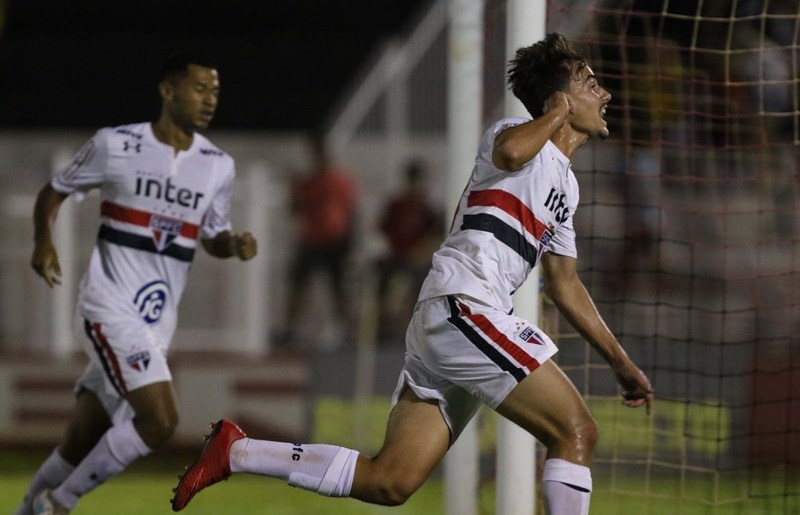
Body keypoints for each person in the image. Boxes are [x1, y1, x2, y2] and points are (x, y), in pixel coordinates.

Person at [170, 33, 653, 515]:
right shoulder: (510, 135)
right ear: (561, 99)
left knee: (391, 480)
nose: (605, 94)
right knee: (576, 430)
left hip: (454, 322)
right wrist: (555, 113)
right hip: (465, 306)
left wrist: (619, 361)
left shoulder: (566, 187)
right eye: (590, 83)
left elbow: (566, 285)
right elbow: (510, 154)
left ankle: (237, 451)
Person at [18, 49, 257, 515]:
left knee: (79, 440)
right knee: (161, 419)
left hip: (155, 323)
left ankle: (28, 508)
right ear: (168, 91)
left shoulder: (217, 165)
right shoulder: (116, 144)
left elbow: (212, 236)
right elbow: (56, 189)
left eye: (215, 92)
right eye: (199, 89)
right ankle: (59, 504)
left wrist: (234, 244)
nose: (210, 100)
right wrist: (42, 239)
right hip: (108, 306)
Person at [282, 132, 358, 347]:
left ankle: (346, 330)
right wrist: (293, 189)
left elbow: (352, 211)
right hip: (312, 240)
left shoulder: (340, 180)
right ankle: (290, 328)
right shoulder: (308, 182)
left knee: (339, 288)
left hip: (335, 241)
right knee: (298, 284)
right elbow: (295, 210)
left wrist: (351, 243)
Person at [375, 159, 442, 342]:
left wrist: (420, 253)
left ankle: (417, 326)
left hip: (418, 260)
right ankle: (383, 326)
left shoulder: (428, 207)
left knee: (421, 284)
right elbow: (383, 229)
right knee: (380, 279)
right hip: (397, 257)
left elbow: (434, 237)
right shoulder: (396, 205)